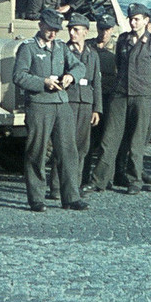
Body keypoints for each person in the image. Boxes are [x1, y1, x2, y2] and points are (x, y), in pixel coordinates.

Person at [85, 3, 151, 195]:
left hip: (141, 96)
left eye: (137, 19)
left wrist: (145, 87)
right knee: (109, 139)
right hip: (120, 95)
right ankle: (99, 180)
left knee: (136, 142)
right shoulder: (123, 40)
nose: (133, 22)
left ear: (146, 21)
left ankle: (134, 180)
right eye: (131, 19)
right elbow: (119, 65)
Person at [13, 9, 90, 212]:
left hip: (61, 103)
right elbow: (19, 76)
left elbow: (80, 67)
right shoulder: (28, 48)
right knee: (36, 152)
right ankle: (37, 198)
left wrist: (70, 77)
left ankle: (71, 196)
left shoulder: (61, 48)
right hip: (39, 104)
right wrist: (42, 82)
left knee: (68, 151)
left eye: (56, 30)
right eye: (50, 29)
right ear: (41, 25)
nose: (53, 34)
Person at [54, 13, 102, 201]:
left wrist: (97, 108)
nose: (72, 33)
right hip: (69, 100)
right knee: (65, 145)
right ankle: (57, 186)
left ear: (85, 32)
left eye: (76, 30)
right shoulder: (62, 51)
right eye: (70, 29)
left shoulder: (92, 54)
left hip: (86, 102)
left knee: (82, 146)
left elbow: (96, 82)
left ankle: (74, 184)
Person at [81, 12, 118, 185]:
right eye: (102, 29)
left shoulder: (119, 48)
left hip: (111, 98)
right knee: (89, 139)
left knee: (108, 139)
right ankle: (83, 176)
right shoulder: (88, 46)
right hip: (92, 97)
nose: (104, 33)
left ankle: (106, 177)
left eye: (108, 29)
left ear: (113, 29)